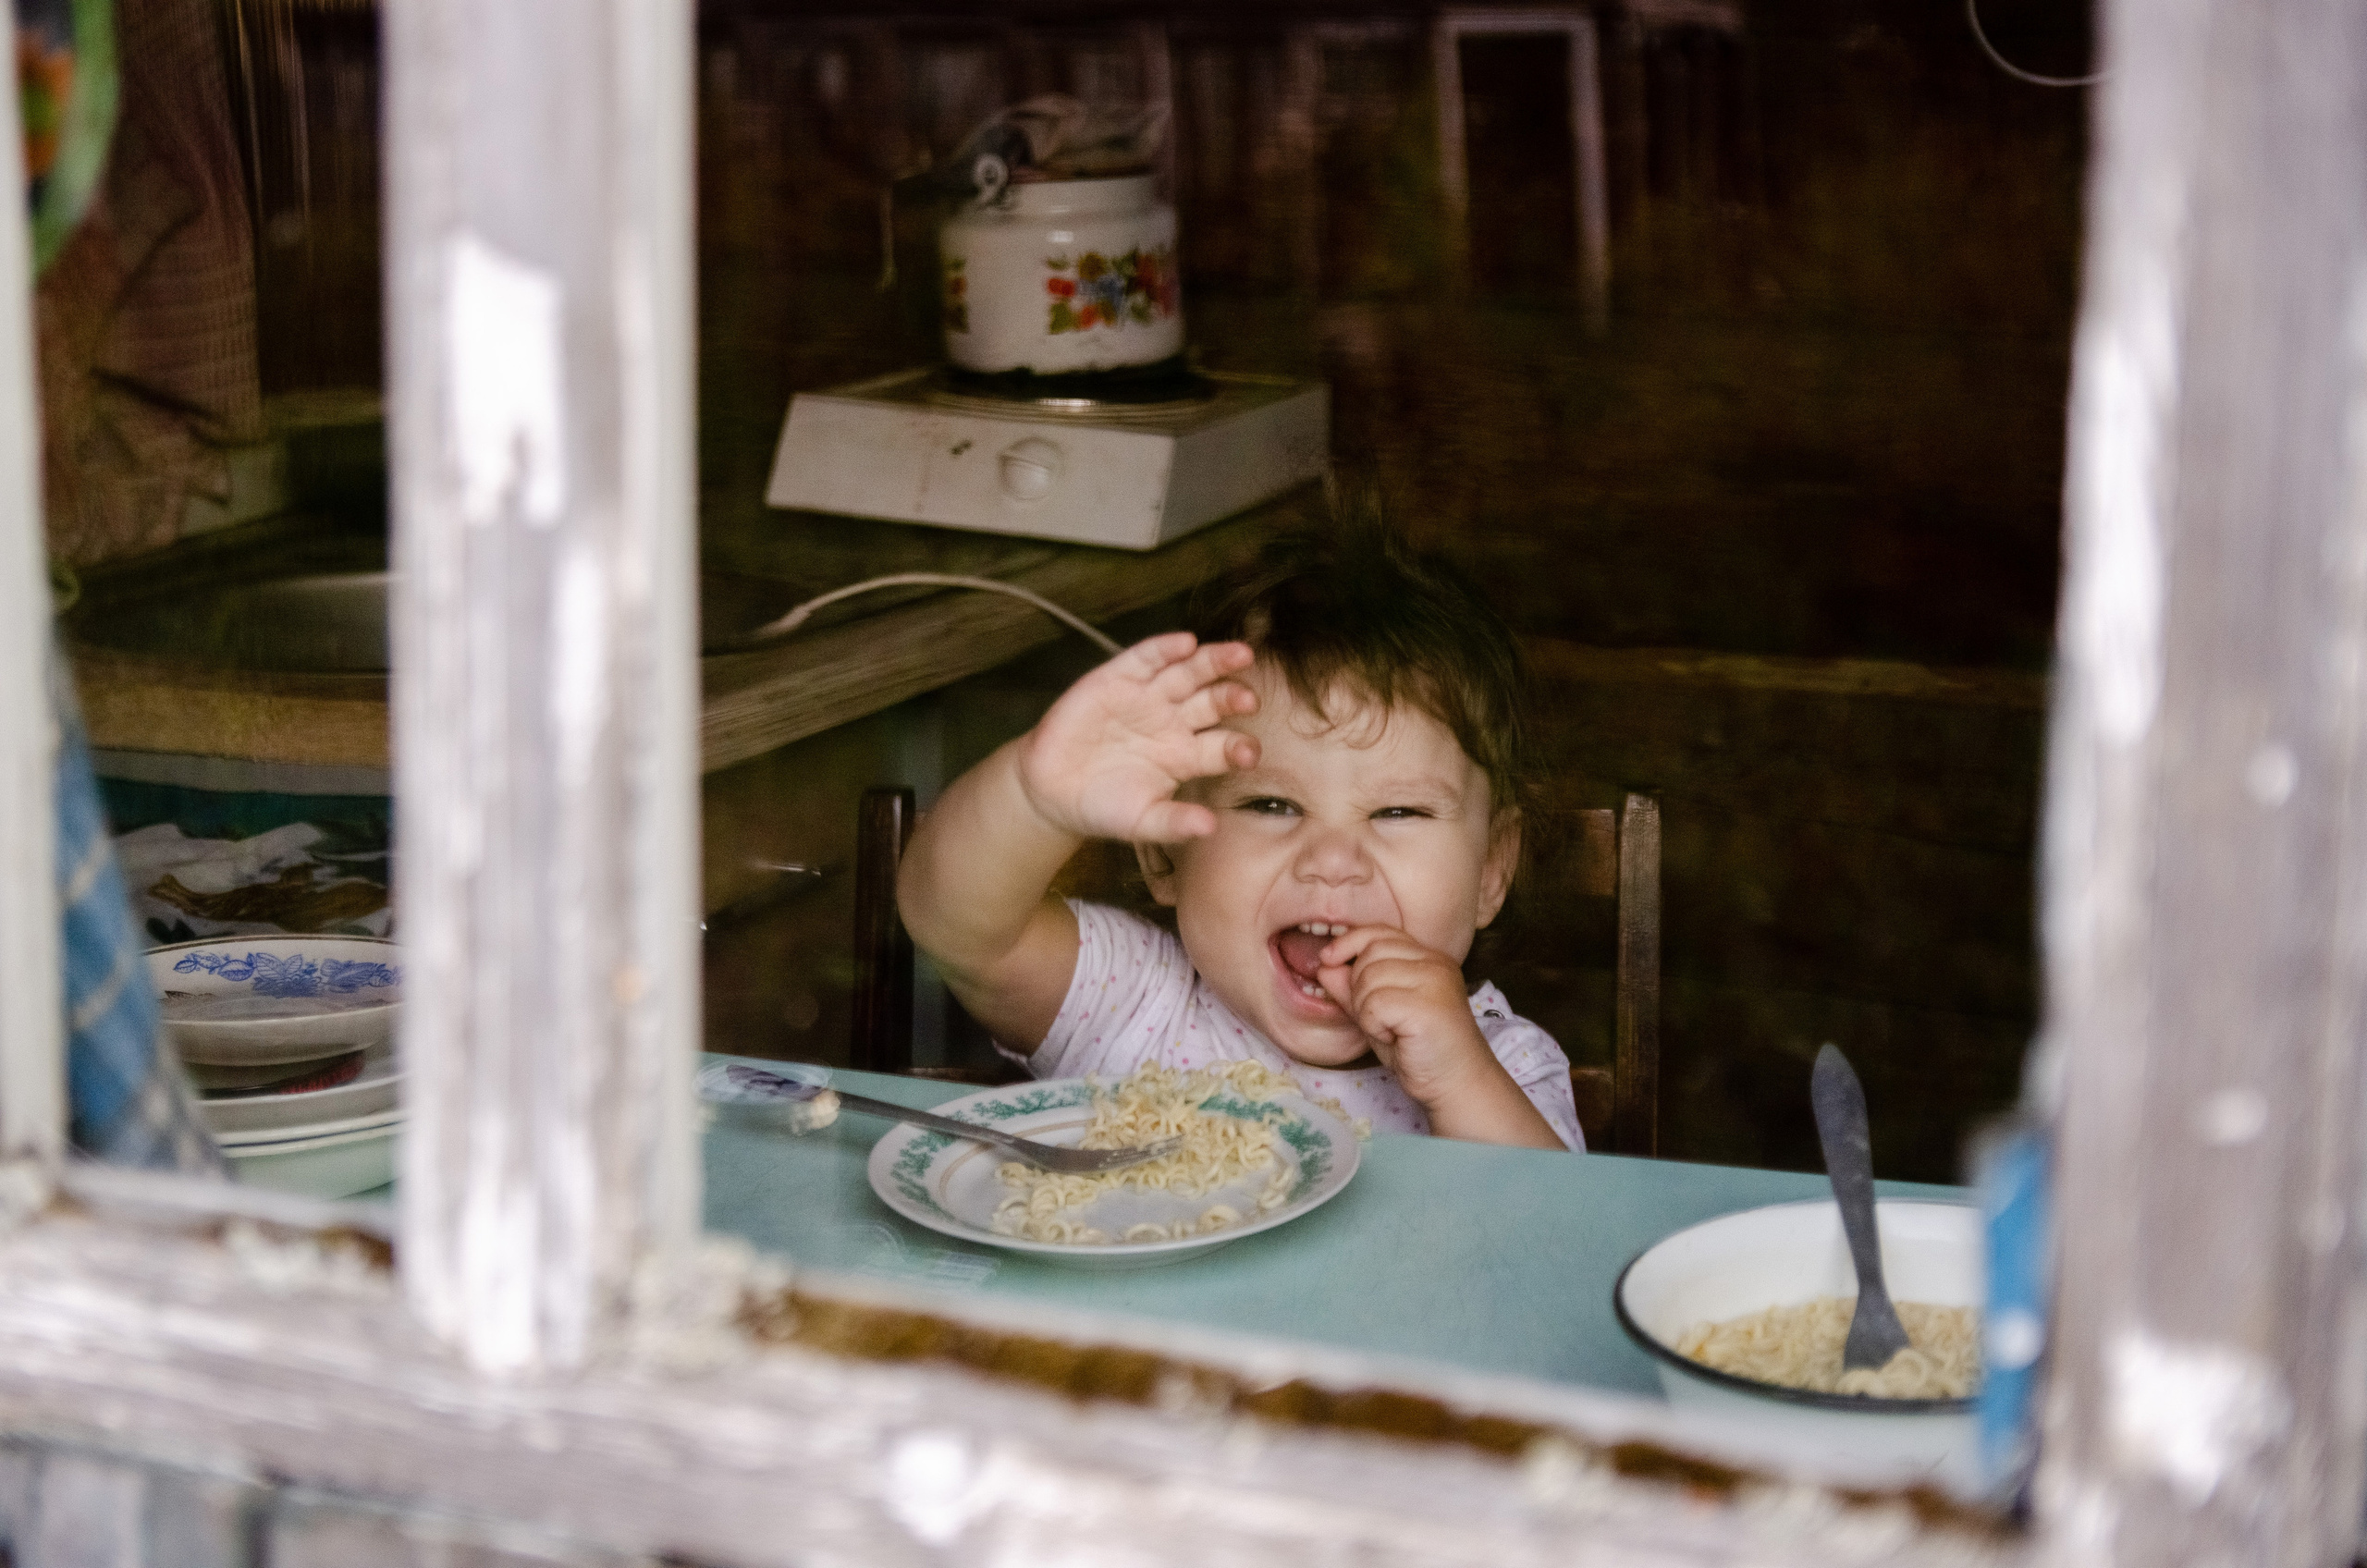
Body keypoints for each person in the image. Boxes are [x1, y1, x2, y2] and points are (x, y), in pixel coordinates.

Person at [897, 522, 1583, 1151]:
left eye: (1398, 813)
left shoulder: (1505, 1066)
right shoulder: (1136, 1001)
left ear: (1492, 870)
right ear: (1165, 854)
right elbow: (960, 931)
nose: (1333, 861)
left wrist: (1459, 1079)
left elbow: (1550, 1249)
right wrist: (1033, 797)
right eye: (1273, 803)